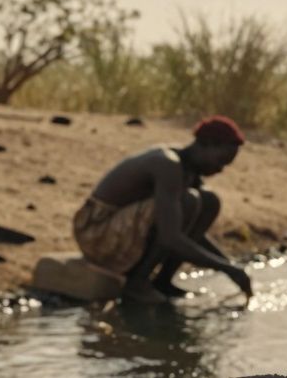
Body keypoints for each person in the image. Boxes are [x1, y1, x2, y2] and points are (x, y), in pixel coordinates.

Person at [74, 116, 253, 304]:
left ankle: (162, 281)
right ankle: (137, 283)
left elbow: (190, 234)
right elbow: (171, 236)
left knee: (209, 201)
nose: (219, 169)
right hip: (95, 233)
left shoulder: (189, 171)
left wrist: (230, 267)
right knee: (189, 202)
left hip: (121, 230)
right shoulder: (168, 165)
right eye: (220, 161)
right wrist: (226, 268)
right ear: (206, 145)